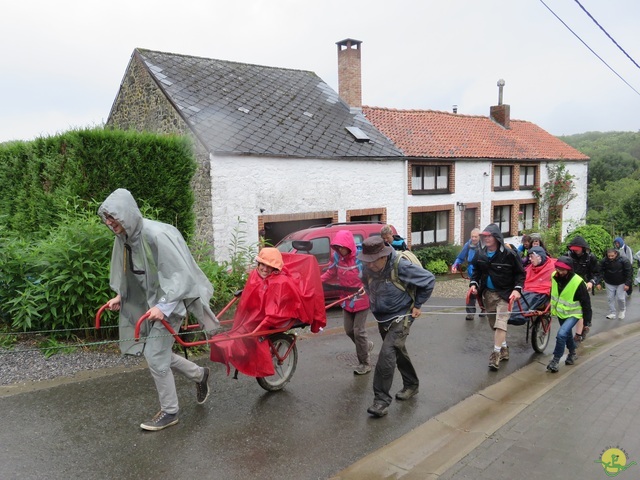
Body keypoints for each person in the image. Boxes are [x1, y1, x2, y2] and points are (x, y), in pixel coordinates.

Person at [99, 188, 220, 432]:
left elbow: (180, 276)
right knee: (157, 352)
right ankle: (199, 374)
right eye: (107, 218)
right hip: (149, 304)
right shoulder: (124, 238)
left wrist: (164, 307)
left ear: (127, 214)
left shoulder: (156, 235)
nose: (110, 222)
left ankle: (170, 411)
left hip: (172, 302)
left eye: (114, 217)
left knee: (155, 355)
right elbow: (131, 274)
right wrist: (121, 296)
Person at [209, 248, 325, 377]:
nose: (264, 269)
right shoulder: (255, 274)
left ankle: (255, 362)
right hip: (259, 315)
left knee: (251, 336)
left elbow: (277, 311)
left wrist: (259, 326)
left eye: (269, 266)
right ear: (258, 264)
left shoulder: (280, 282)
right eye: (262, 264)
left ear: (275, 268)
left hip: (277, 318)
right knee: (235, 333)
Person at [357, 236, 435, 418]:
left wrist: (418, 305)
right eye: (367, 261)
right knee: (396, 351)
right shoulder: (368, 267)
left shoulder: (401, 266)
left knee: (386, 353)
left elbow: (429, 280)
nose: (369, 265)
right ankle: (412, 384)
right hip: (383, 317)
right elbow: (364, 281)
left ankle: (381, 401)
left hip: (402, 315)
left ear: (384, 256)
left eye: (373, 261)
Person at [468, 223, 525, 371]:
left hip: (506, 294)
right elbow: (476, 271)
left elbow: (520, 273)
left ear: (496, 237)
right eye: (484, 236)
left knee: (501, 323)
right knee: (494, 324)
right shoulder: (480, 254)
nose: (486, 238)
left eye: (489, 236)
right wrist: (474, 284)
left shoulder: (509, 255)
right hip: (488, 294)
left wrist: (517, 290)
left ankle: (496, 354)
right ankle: (504, 348)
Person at [321, 230, 373, 375]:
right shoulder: (337, 257)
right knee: (349, 330)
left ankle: (365, 363)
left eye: (342, 246)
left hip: (361, 298)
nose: (340, 249)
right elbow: (330, 272)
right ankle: (366, 346)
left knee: (358, 331)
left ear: (348, 245)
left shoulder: (360, 258)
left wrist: (366, 287)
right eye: (337, 247)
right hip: (345, 298)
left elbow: (372, 275)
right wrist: (317, 282)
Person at [546, 256, 592, 373]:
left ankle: (555, 360)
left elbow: (586, 303)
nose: (559, 271)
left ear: (569, 269)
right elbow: (553, 293)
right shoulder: (554, 276)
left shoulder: (578, 282)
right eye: (558, 268)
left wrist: (587, 322)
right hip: (561, 312)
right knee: (566, 335)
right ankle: (572, 353)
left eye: (562, 269)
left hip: (574, 314)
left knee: (561, 335)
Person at [509, 246, 556, 324]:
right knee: (518, 294)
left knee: (531, 297)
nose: (530, 259)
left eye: (531, 257)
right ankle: (511, 313)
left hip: (542, 292)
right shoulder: (530, 268)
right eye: (529, 257)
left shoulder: (553, 265)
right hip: (529, 289)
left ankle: (518, 316)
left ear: (539, 256)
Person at [566, 235, 600, 342]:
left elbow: (597, 273)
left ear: (583, 248)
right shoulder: (568, 256)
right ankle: (578, 329)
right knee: (573, 309)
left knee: (583, 307)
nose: (575, 251)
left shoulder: (591, 258)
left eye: (577, 249)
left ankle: (582, 329)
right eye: (573, 249)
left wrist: (591, 282)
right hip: (570, 285)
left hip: (584, 285)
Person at [451, 228, 483, 320]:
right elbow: (460, 258)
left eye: (475, 237)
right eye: (472, 236)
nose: (473, 238)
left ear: (479, 237)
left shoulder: (484, 246)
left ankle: (484, 309)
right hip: (472, 273)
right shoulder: (468, 245)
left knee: (483, 292)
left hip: (482, 272)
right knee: (472, 292)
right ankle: (470, 313)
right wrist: (455, 265)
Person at [597, 248, 632, 320]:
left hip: (621, 282)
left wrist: (627, 284)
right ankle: (612, 313)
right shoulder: (604, 261)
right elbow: (600, 272)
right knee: (610, 298)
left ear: (616, 254)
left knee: (620, 298)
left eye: (612, 256)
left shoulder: (624, 260)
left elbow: (629, 272)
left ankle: (622, 310)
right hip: (609, 282)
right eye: (609, 256)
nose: (610, 257)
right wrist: (598, 282)